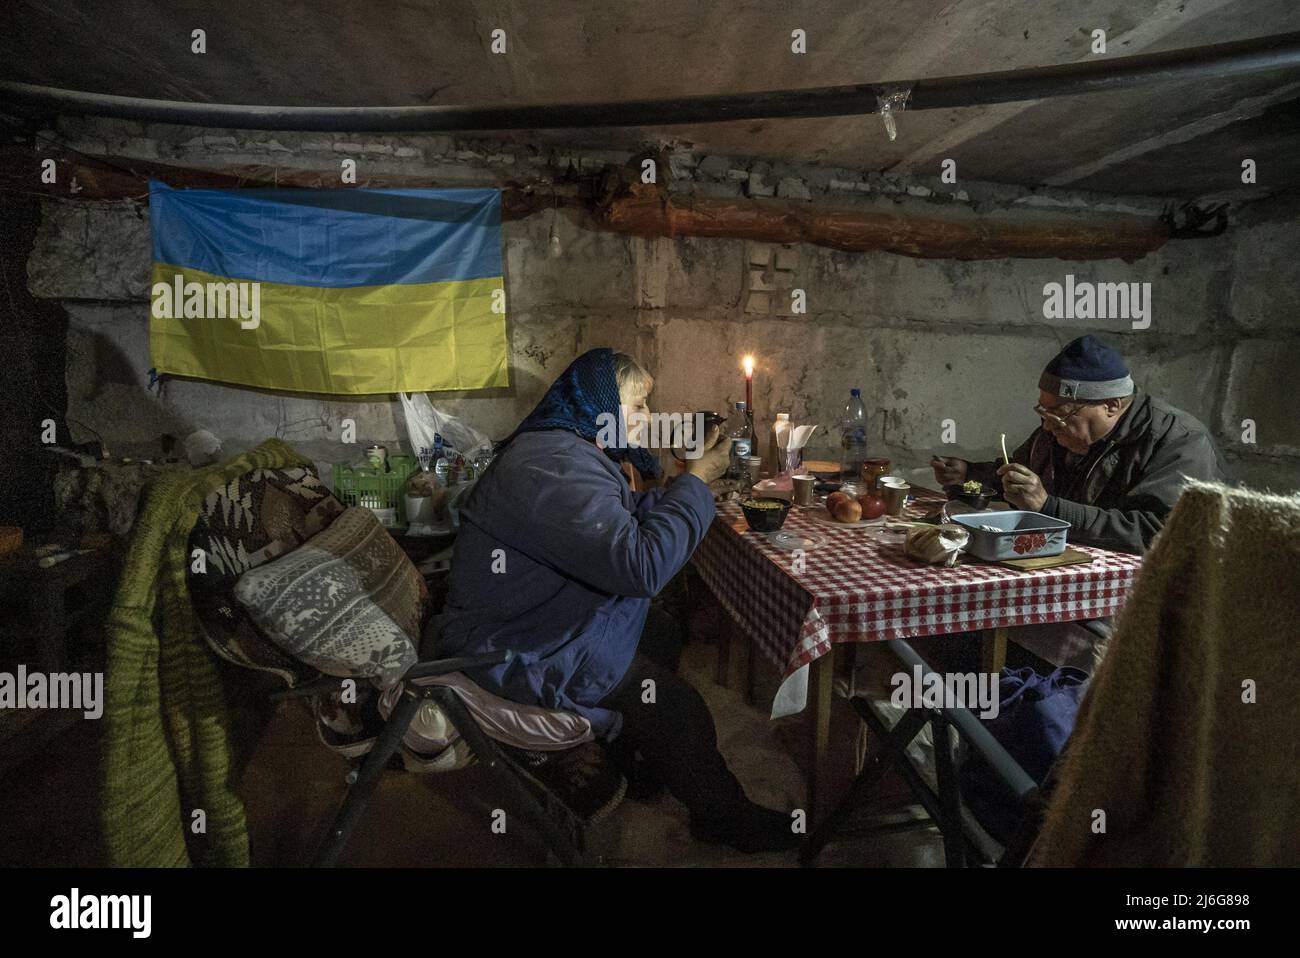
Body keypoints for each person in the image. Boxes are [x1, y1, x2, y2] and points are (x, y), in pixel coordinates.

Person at [432, 347, 799, 853]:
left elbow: (610, 520)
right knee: (679, 708)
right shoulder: (553, 467)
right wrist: (694, 482)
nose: (649, 421)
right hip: (517, 645)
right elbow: (640, 567)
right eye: (639, 406)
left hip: (534, 613)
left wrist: (680, 494)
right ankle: (724, 818)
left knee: (664, 632)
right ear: (600, 406)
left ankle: (636, 756)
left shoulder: (566, 448)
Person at [930, 334, 1228, 671]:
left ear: (1112, 405)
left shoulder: (1179, 441)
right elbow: (1019, 481)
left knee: (989, 650)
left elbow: (1161, 532)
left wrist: (1049, 508)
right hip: (1063, 590)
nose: (1046, 424)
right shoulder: (1056, 433)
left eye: (1058, 414)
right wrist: (972, 474)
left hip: (1143, 608)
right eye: (1043, 411)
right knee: (950, 632)